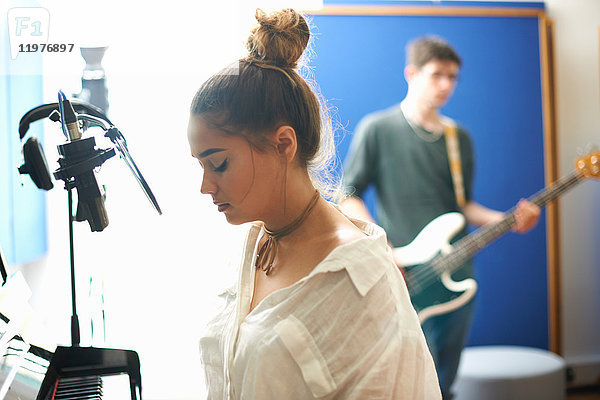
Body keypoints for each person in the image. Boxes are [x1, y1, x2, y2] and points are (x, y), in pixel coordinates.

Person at [188, 9, 442, 400]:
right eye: (201, 166)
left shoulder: (358, 275)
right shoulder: (253, 240)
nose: (205, 186)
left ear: (283, 145)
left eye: (218, 164)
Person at [340, 36, 541, 399]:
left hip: (458, 272)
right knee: (404, 380)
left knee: (443, 381)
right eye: (437, 75)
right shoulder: (378, 129)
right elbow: (347, 194)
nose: (446, 85)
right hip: (404, 273)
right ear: (411, 74)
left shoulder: (457, 138)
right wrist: (382, 245)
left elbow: (463, 206)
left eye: (453, 77)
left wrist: (511, 218)